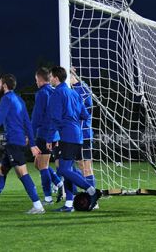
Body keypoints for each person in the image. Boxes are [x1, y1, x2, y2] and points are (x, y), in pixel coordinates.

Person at [0, 74, 45, 214]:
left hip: (14, 141)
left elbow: (0, 120)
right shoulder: (19, 99)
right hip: (16, 142)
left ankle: (38, 206)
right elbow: (27, 123)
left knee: (22, 174)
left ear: (5, 86)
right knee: (0, 173)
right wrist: (31, 143)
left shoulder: (6, 99)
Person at [47, 66, 99, 212]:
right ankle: (69, 204)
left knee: (63, 169)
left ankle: (91, 191)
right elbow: (85, 115)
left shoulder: (57, 93)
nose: (50, 79)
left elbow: (55, 119)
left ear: (56, 78)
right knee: (67, 169)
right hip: (77, 136)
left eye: (51, 76)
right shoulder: (74, 93)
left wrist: (50, 138)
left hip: (67, 136)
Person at [31, 67, 63, 205]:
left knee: (42, 165)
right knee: (38, 164)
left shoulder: (42, 93)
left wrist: (30, 134)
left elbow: (36, 117)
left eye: (36, 80)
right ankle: (58, 182)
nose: (36, 82)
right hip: (54, 134)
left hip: (45, 133)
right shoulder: (54, 91)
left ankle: (48, 198)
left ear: (39, 79)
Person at [69, 67, 97, 202]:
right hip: (72, 135)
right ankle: (75, 194)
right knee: (71, 165)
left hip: (84, 134)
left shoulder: (83, 89)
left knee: (86, 167)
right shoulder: (70, 90)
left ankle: (93, 198)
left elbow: (88, 111)